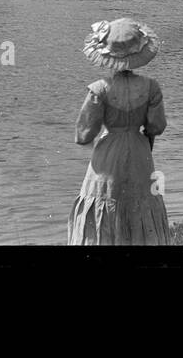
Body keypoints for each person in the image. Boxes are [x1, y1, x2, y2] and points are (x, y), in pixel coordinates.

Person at [68, 19, 171, 245]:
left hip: (108, 155)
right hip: (138, 151)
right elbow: (157, 126)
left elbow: (84, 134)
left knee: (106, 199)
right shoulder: (151, 87)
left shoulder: (99, 90)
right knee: (140, 200)